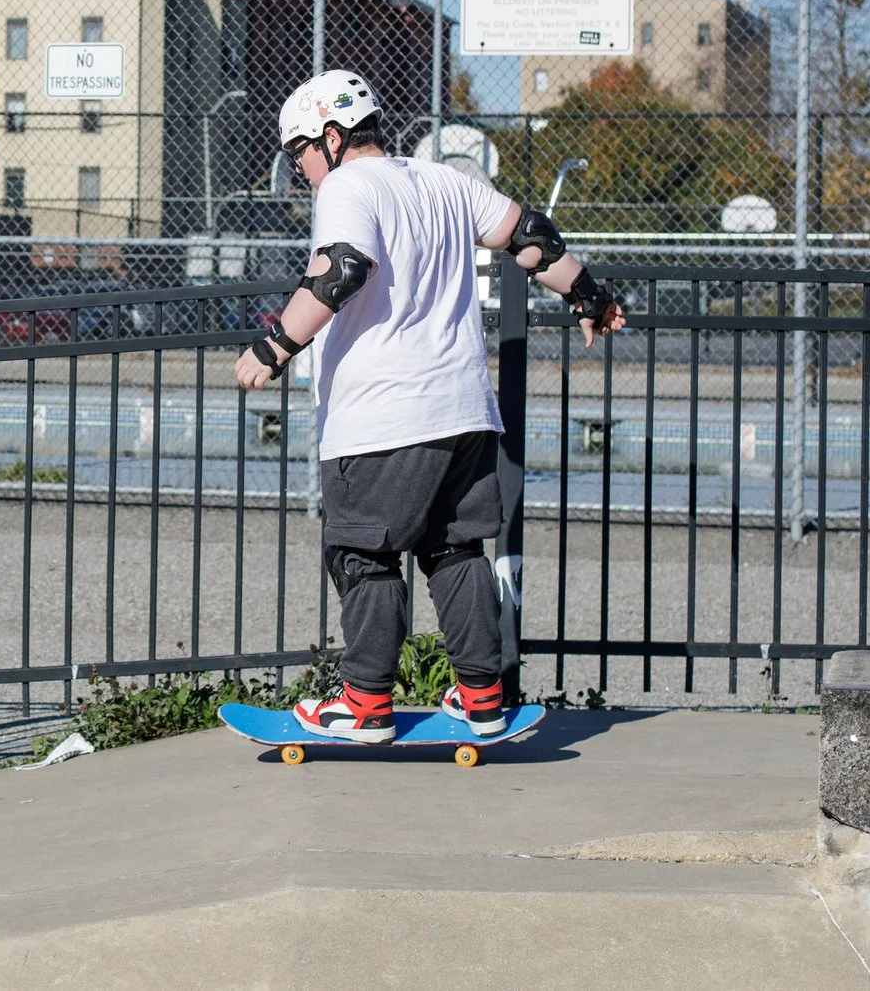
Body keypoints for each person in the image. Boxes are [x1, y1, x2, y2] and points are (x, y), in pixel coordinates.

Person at [231, 71, 624, 742]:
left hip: (383, 414)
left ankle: (363, 701)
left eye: (300, 154)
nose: (302, 173)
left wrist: (274, 346)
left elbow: (342, 269)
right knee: (455, 551)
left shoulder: (348, 186)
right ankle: (480, 695)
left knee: (364, 553)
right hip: (464, 409)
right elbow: (530, 233)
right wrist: (589, 293)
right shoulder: (443, 180)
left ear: (330, 135)